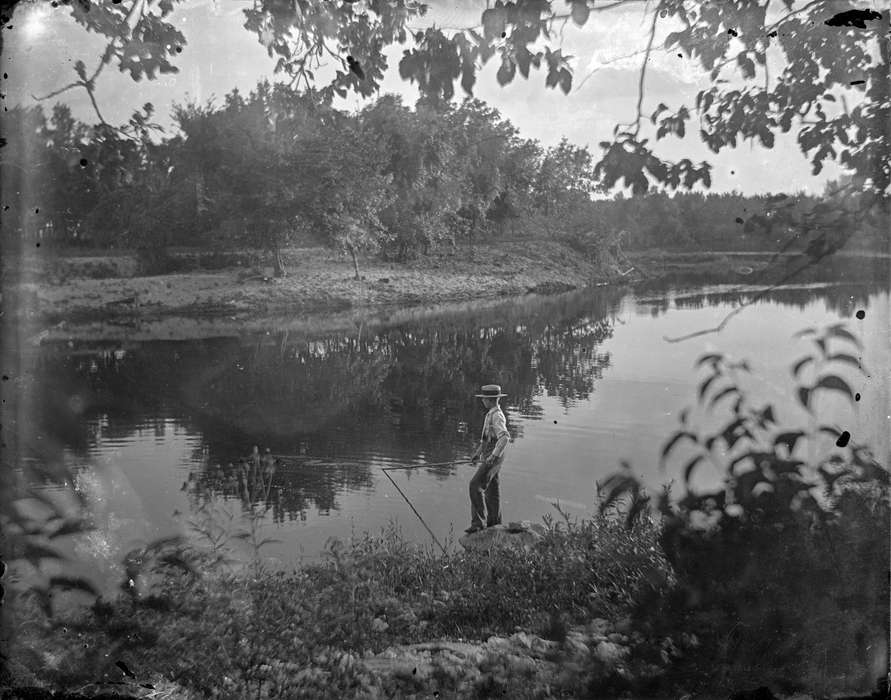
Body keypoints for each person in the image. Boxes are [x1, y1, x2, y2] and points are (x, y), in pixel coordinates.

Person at [466, 384, 510, 534]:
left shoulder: (497, 416)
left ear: (489, 400)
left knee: (475, 485)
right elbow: (486, 439)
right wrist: (478, 453)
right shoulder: (490, 414)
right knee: (492, 489)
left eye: (483, 398)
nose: (482, 401)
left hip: (495, 456)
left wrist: (493, 456)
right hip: (492, 455)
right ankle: (494, 523)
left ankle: (478, 523)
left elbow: (504, 438)